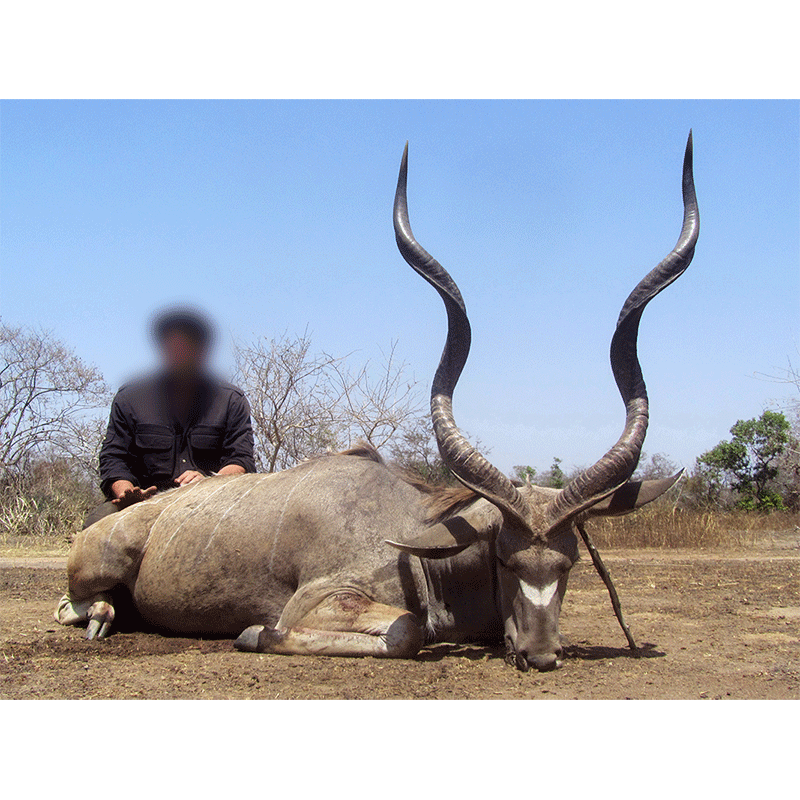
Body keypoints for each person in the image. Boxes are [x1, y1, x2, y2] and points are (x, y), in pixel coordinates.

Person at [84, 308, 256, 528]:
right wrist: (127, 492)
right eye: (174, 346)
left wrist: (210, 484)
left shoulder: (231, 400)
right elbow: (114, 458)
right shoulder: (130, 398)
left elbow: (241, 459)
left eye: (188, 346)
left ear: (202, 350)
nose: (180, 353)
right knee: (95, 526)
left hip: (211, 502)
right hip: (144, 504)